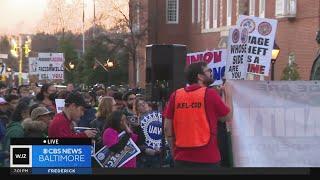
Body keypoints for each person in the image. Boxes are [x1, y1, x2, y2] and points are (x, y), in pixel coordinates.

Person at [164, 62, 232, 168]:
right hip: (208, 158)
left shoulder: (176, 95)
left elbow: (167, 128)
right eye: (208, 71)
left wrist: (174, 152)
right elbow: (227, 117)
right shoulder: (210, 94)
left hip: (181, 158)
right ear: (200, 76)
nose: (211, 73)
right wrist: (228, 94)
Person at [135, 98, 161, 168]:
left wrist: (159, 146)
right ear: (137, 109)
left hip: (158, 152)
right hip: (145, 155)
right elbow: (136, 141)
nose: (143, 105)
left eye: (144, 102)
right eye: (140, 105)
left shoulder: (157, 117)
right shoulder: (136, 122)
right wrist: (145, 149)